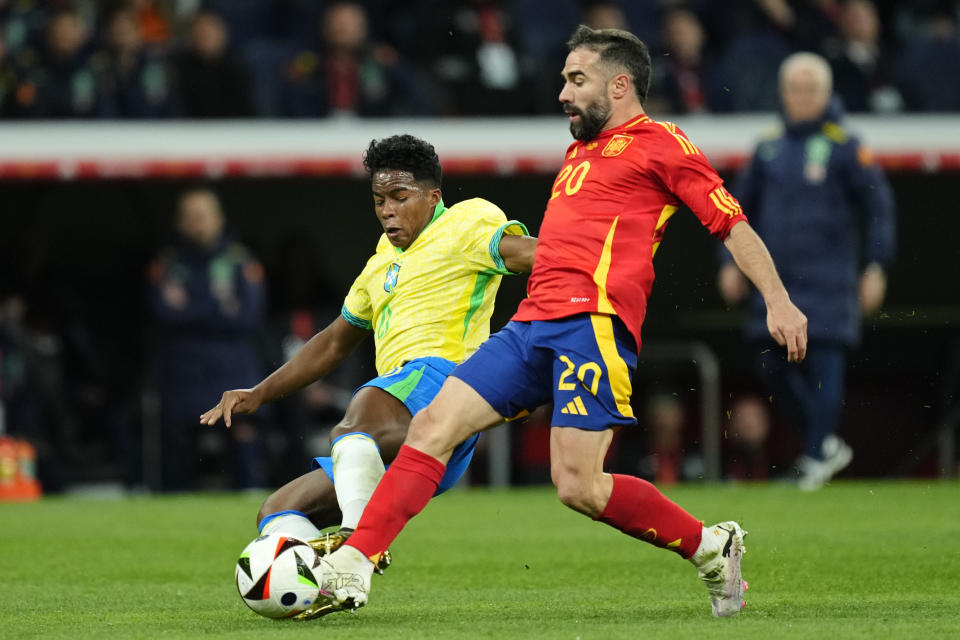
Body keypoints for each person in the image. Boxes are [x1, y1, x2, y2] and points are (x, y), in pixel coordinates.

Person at [319, 25, 807, 619]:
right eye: (563, 81)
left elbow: (732, 224)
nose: (563, 95)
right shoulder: (580, 151)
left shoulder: (663, 143)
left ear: (620, 85)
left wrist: (778, 300)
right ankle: (353, 566)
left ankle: (710, 545)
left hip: (593, 326)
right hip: (530, 326)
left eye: (576, 81)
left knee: (578, 486)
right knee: (431, 429)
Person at [199, 134, 536, 615]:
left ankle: (358, 551)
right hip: (400, 433)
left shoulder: (469, 220)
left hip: (447, 382)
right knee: (278, 511)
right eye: (379, 200)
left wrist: (591, 276)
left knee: (358, 422)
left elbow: (530, 254)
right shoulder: (380, 262)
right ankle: (330, 584)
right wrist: (260, 392)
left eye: (400, 197)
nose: (387, 210)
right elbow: (335, 341)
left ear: (432, 196)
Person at [718, 52, 895, 490]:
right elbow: (732, 211)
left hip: (830, 284)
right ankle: (823, 445)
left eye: (810, 89)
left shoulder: (847, 146)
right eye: (795, 89)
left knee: (825, 368)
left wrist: (875, 266)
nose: (802, 97)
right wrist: (729, 263)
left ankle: (815, 458)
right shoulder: (768, 146)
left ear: (827, 93)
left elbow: (879, 210)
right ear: (783, 94)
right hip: (776, 285)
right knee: (768, 365)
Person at [147, 188, 267, 491]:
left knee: (244, 453)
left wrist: (190, 306)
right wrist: (219, 306)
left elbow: (248, 318)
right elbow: (163, 314)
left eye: (202, 216)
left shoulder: (240, 262)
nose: (196, 223)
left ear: (219, 219)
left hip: (233, 372)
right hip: (182, 376)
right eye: (189, 217)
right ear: (178, 222)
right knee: (178, 459)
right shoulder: (168, 264)